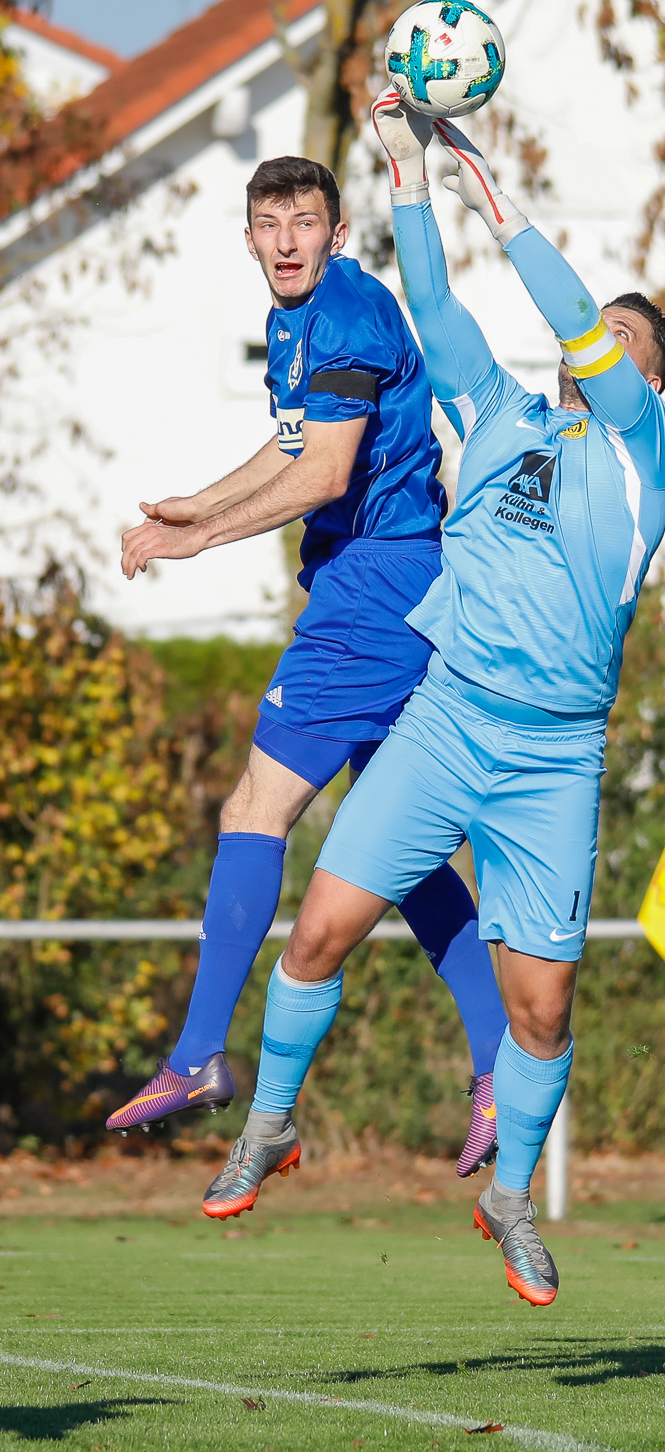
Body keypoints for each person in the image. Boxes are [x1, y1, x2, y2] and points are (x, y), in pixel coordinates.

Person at [204, 98, 665, 1303]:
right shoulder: (505, 417)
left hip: (552, 760)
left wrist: (494, 202)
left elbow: (570, 317)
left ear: (649, 379)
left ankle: (510, 1198)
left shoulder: (643, 455)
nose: (601, 341)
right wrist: (411, 181)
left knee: (541, 1011)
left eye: (625, 338)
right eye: (602, 330)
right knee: (317, 933)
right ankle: (267, 1124)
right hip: (446, 721)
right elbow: (435, 308)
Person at [106, 155, 508, 1189]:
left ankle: (199, 1055)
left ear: (337, 232)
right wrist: (198, 502)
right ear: (248, 236)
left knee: (254, 808)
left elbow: (326, 475)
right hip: (391, 586)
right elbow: (295, 444)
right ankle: (500, 1062)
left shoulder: (350, 317)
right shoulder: (298, 321)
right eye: (269, 222)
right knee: (395, 847)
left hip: (372, 592)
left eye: (304, 221)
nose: (286, 239)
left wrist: (202, 540)